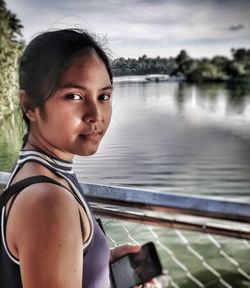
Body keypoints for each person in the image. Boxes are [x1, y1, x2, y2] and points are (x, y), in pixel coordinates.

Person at [0, 29, 156, 288]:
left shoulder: (39, 173)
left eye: (103, 96)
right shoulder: (49, 201)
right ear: (29, 106)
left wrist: (98, 267)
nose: (96, 114)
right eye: (74, 96)